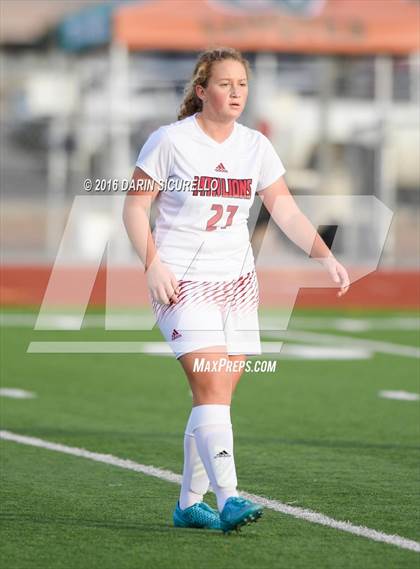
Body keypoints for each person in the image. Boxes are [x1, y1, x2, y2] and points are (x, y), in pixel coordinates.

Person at [123, 47, 350, 534]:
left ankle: (188, 504)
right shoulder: (170, 140)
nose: (235, 93)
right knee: (209, 387)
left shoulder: (255, 145)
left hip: (238, 284)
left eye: (242, 85)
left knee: (217, 397)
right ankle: (228, 498)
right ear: (202, 91)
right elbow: (134, 207)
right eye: (225, 84)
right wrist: (153, 265)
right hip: (181, 280)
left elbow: (284, 210)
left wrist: (324, 255)